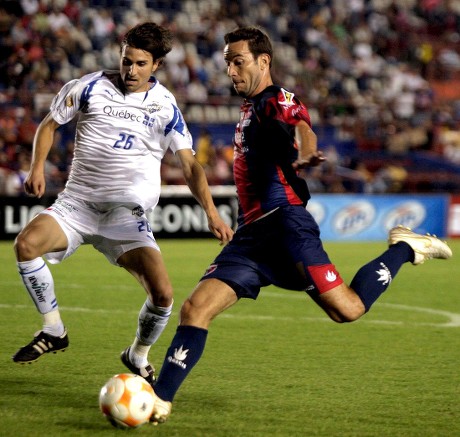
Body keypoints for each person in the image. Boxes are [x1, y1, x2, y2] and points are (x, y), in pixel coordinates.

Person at [144, 26, 453, 424]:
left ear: (263, 61)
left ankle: (405, 248)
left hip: (287, 226)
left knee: (348, 310)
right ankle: (160, 400)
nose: (231, 71)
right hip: (252, 237)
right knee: (195, 307)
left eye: (238, 62)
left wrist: (307, 155)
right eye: (227, 63)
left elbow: (302, 127)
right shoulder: (249, 108)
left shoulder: (276, 98)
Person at [11, 22, 234, 386]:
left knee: (163, 295)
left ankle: (137, 353)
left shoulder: (165, 106)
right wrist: (37, 167)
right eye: (127, 61)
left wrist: (211, 212)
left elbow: (189, 164)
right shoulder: (88, 87)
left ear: (157, 65)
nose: (131, 71)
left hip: (127, 218)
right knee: (26, 245)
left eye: (141, 64)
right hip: (77, 205)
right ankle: (53, 330)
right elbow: (49, 125)